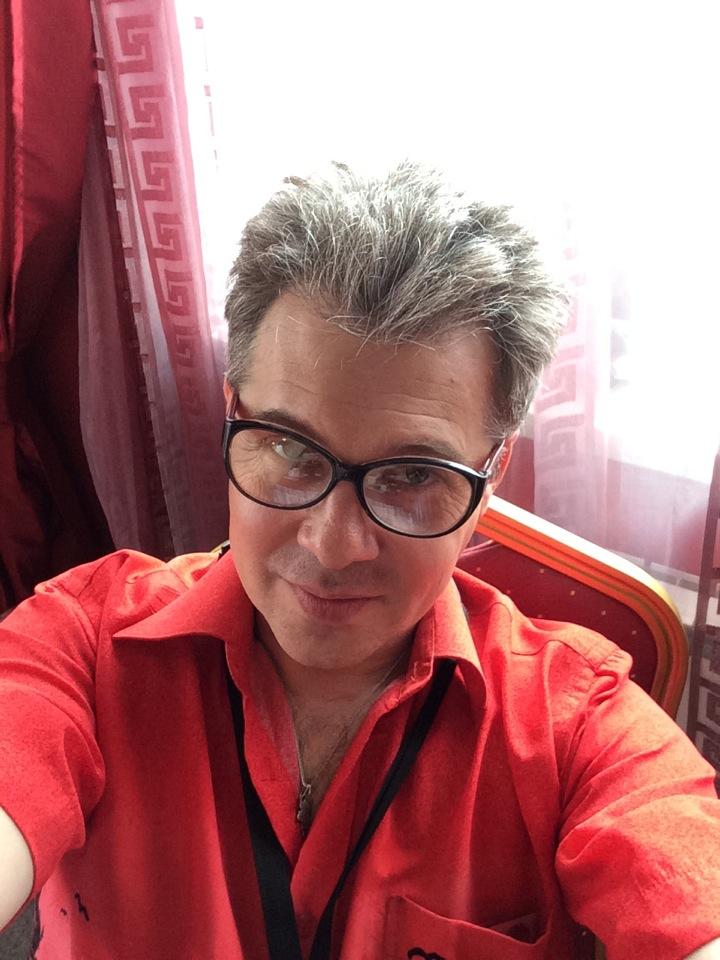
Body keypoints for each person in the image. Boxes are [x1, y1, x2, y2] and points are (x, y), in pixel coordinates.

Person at [1, 161, 719, 960]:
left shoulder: (577, 727)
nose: (331, 545)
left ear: (491, 475)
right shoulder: (83, 642)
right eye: (290, 448)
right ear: (234, 416)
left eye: (412, 476)